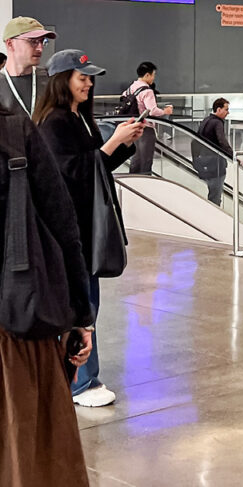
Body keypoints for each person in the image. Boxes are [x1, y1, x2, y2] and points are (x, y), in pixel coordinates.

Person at [34, 49, 143, 408]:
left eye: (90, 78)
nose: (89, 84)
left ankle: (76, 378)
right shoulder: (54, 123)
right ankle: (81, 381)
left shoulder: (78, 118)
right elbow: (68, 174)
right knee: (81, 305)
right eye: (82, 78)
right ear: (62, 81)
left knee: (86, 301)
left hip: (85, 226)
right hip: (70, 229)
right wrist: (112, 143)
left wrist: (124, 143)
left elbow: (96, 165)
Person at [0, 109, 95, 485]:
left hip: (17, 326)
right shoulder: (13, 131)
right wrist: (80, 317)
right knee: (32, 458)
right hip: (18, 324)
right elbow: (62, 224)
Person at [0, 17, 55, 119]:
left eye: (42, 41)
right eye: (33, 41)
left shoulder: (50, 80)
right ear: (10, 44)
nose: (40, 48)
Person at [127, 61, 173, 175]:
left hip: (132, 127)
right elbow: (152, 111)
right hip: (145, 128)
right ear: (147, 75)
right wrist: (165, 111)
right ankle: (146, 181)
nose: (153, 78)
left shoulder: (131, 88)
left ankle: (132, 181)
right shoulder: (147, 91)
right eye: (153, 75)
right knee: (146, 160)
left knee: (136, 158)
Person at [196, 98, 234, 206]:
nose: (228, 112)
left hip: (205, 163)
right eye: (226, 109)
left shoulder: (206, 120)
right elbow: (222, 142)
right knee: (215, 196)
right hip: (216, 165)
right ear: (218, 109)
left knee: (212, 193)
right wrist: (234, 157)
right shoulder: (217, 123)